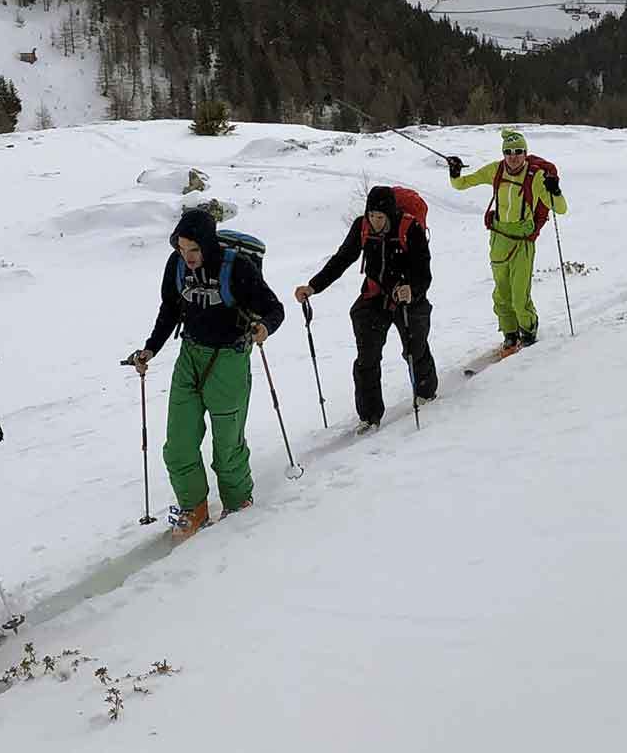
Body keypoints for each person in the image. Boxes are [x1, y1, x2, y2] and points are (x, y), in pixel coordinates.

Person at [125, 209, 288, 535]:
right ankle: (192, 508)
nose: (187, 257)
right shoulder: (176, 266)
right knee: (177, 445)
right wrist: (150, 348)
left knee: (227, 445)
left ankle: (238, 502)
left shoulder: (236, 267)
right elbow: (170, 309)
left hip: (229, 358)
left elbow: (275, 308)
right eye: (182, 249)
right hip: (190, 356)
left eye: (194, 250)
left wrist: (264, 328)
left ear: (208, 245)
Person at [295, 186, 435, 431]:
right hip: (375, 296)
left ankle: (426, 393)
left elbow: (424, 271)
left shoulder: (410, 228)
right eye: (371, 215)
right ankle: (369, 415)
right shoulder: (362, 227)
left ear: (390, 214)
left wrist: (412, 289)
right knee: (366, 358)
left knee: (415, 348)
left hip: (407, 296)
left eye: (380, 217)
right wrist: (313, 287)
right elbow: (342, 259)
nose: (375, 221)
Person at [447, 128, 567, 353]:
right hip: (499, 239)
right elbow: (461, 184)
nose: (513, 156)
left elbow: (561, 208)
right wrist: (454, 173)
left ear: (525, 153)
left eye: (518, 151)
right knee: (502, 294)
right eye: (508, 152)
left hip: (523, 241)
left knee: (520, 295)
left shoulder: (535, 177)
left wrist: (556, 190)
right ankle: (510, 336)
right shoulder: (496, 170)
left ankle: (529, 333)